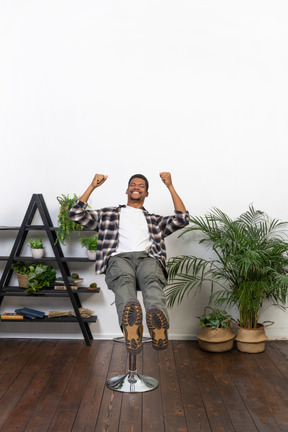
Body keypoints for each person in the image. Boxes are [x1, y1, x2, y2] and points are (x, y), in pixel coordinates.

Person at [69, 172, 189, 354]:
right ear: (127, 190)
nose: (136, 187)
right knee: (124, 279)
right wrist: (92, 186)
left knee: (151, 279)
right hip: (119, 258)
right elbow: (75, 214)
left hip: (147, 258)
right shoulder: (109, 214)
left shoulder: (154, 220)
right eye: (133, 184)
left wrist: (170, 186)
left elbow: (182, 219)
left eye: (141, 186)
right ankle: (131, 328)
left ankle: (158, 328)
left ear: (146, 193)